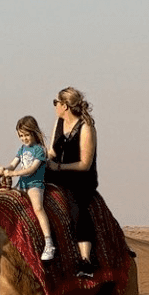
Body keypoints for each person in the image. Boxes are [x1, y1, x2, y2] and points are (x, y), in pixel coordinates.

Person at [46, 87, 98, 276]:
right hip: (58, 172)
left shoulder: (86, 127)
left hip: (80, 178)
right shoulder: (59, 122)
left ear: (65, 106)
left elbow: (85, 164)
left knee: (77, 206)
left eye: (56, 103)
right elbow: (52, 151)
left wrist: (58, 168)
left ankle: (85, 260)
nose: (55, 107)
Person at [0, 116, 55, 261]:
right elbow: (13, 164)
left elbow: (31, 169)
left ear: (34, 133)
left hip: (34, 184)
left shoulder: (40, 150)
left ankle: (49, 243)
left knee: (38, 208)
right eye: (21, 136)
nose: (24, 138)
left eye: (26, 135)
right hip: (22, 185)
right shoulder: (22, 149)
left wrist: (14, 173)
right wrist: (4, 169)